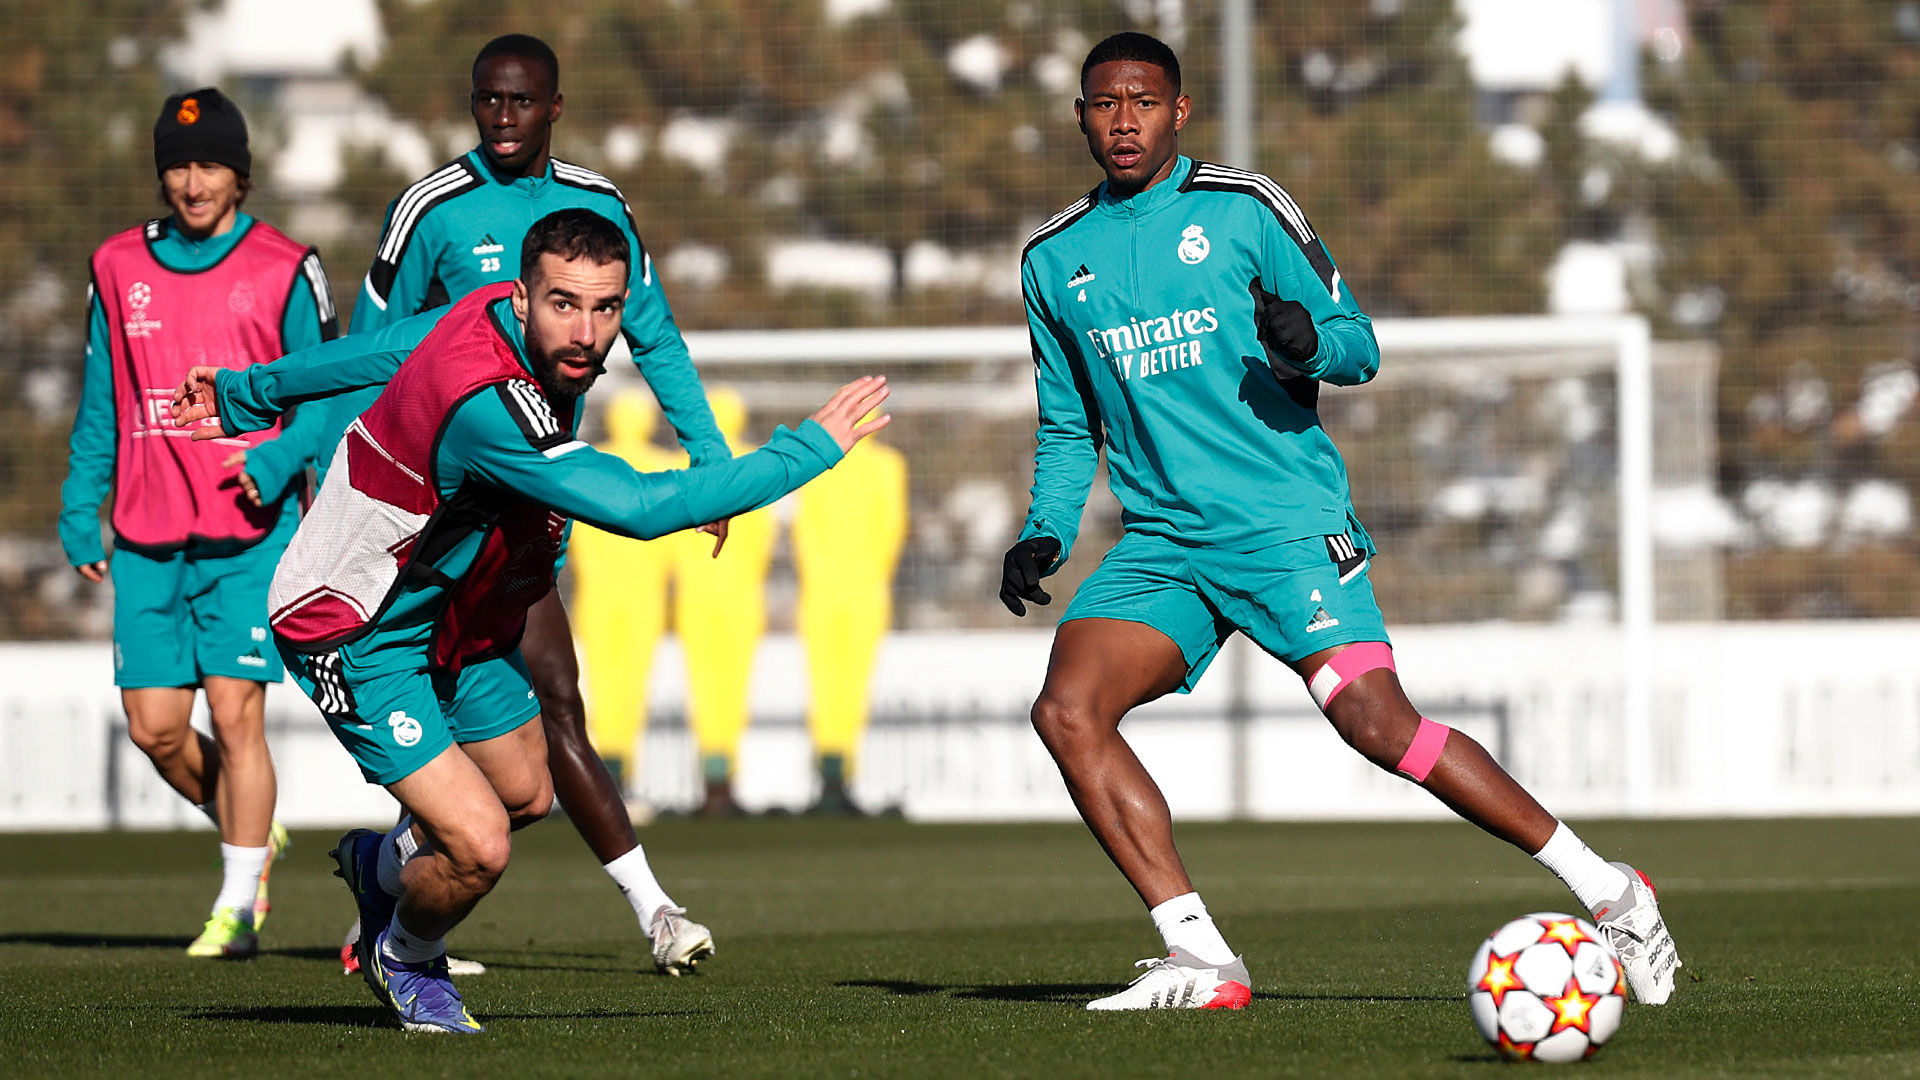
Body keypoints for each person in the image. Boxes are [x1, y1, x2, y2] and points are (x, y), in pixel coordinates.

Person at [1001, 32, 1681, 1012]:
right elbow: (1070, 424)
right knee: (1068, 710)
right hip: (1163, 546)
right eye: (1104, 103)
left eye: (1142, 102)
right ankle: (1200, 957)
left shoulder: (1244, 209)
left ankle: (1611, 891)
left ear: (1179, 112)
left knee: (1376, 724)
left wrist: (1306, 340)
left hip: (1284, 523)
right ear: (1079, 115)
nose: (1122, 121)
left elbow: (1359, 345)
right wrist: (1046, 532)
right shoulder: (1053, 257)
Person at [173, 209, 891, 1034]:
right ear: (521, 298)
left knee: (525, 791)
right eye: (563, 304)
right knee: (479, 846)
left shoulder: (483, 312)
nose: (586, 332)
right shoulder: (492, 407)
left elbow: (384, 349)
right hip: (351, 623)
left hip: (442, 609)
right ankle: (404, 955)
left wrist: (247, 391)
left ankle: (378, 866)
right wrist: (807, 452)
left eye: (606, 308)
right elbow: (636, 507)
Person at [278, 32, 733, 975]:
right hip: (431, 525)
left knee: (548, 728)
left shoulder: (599, 208)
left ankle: (400, 873)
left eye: (522, 102)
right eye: (489, 100)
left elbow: (656, 335)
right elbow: (373, 349)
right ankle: (440, 913)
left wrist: (710, 455)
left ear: (555, 107)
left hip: (535, 510)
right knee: (495, 753)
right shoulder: (430, 208)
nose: (503, 117)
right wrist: (334, 476)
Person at [57, 87, 335, 959]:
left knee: (235, 715)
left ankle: (237, 906)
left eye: (209, 163)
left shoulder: (286, 266)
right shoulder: (115, 266)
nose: (191, 181)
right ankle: (247, 832)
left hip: (248, 536)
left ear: (240, 174)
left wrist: (276, 463)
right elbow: (103, 396)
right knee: (155, 729)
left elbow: (327, 392)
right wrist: (79, 502)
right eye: (176, 165)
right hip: (146, 535)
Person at [794, 412, 908, 815]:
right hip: (860, 592)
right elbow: (892, 529)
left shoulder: (819, 465)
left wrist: (817, 577)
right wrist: (875, 578)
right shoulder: (888, 466)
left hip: (825, 592)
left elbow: (805, 530)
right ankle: (836, 780)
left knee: (827, 686)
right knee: (847, 688)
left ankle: (830, 779)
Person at [671, 389, 777, 817]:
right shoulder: (759, 467)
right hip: (739, 599)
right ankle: (722, 782)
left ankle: (713, 782)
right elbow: (767, 540)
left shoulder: (683, 469)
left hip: (697, 599)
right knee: (730, 691)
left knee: (705, 689)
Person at [571, 391, 678, 806]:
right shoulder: (662, 465)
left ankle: (602, 772)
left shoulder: (591, 464)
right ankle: (619, 772)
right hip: (642, 597)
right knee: (630, 686)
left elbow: (574, 529)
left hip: (598, 594)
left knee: (596, 684)